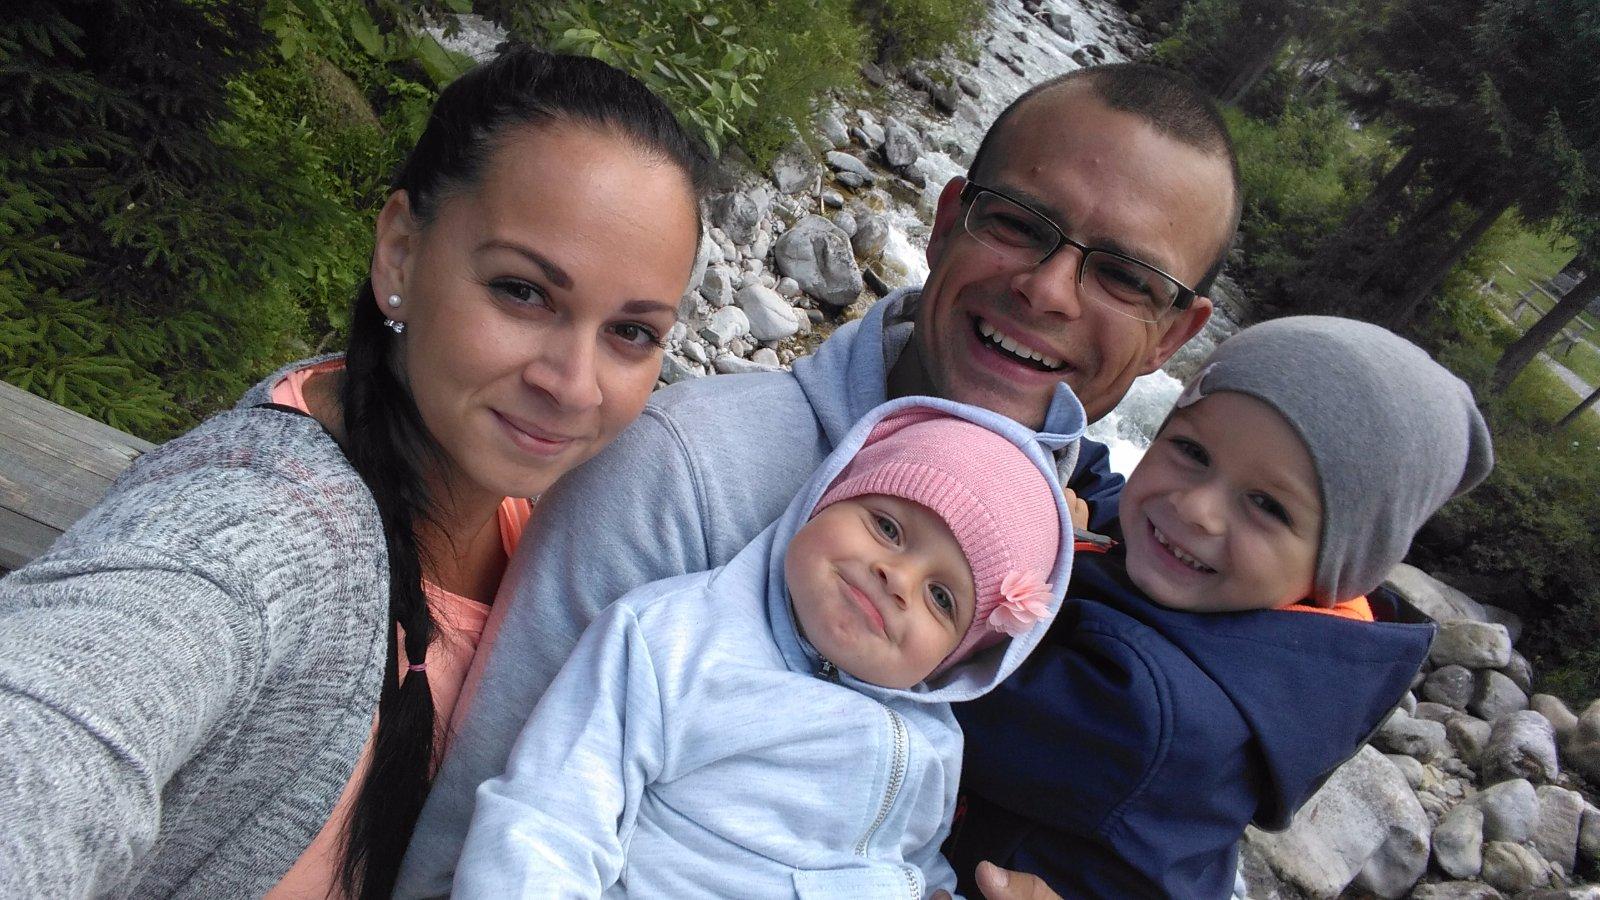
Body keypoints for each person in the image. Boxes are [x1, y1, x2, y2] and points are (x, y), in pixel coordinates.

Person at [396, 62, 1241, 898]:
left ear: (1174, 338)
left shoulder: (1134, 571)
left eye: (1125, 277)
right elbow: (465, 858)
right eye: (1019, 224)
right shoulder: (688, 477)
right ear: (947, 221)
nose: (1049, 290)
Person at [0, 47, 711, 900]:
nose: (574, 385)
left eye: (632, 332)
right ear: (400, 254)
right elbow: (53, 734)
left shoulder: (550, 523)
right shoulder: (251, 542)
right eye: (524, 292)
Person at [945, 316, 1495, 898]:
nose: (1197, 508)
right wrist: (1031, 418)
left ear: (1341, 567)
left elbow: (935, 662)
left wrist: (1025, 528)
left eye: (1266, 504)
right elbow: (1108, 500)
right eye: (1191, 450)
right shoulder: (1237, 590)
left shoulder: (1155, 714)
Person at [451, 391, 1082, 897]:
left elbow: (911, 863)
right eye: (887, 527)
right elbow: (549, 817)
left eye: (942, 598)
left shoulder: (935, 741)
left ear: (957, 659)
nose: (898, 579)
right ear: (825, 497)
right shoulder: (674, 639)